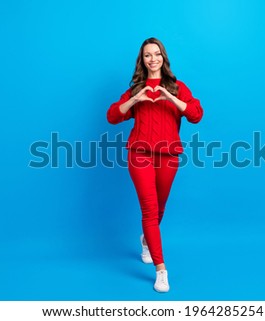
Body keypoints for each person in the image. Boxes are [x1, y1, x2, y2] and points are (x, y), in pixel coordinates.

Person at [106, 37, 203, 292]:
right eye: (147, 55)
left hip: (168, 155)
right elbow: (113, 116)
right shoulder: (136, 89)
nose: (153, 59)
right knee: (149, 210)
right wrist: (134, 100)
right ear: (142, 60)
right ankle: (161, 270)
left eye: (156, 54)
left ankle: (147, 240)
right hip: (139, 154)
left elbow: (195, 115)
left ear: (163, 57)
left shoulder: (177, 87)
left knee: (160, 207)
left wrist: (169, 97)